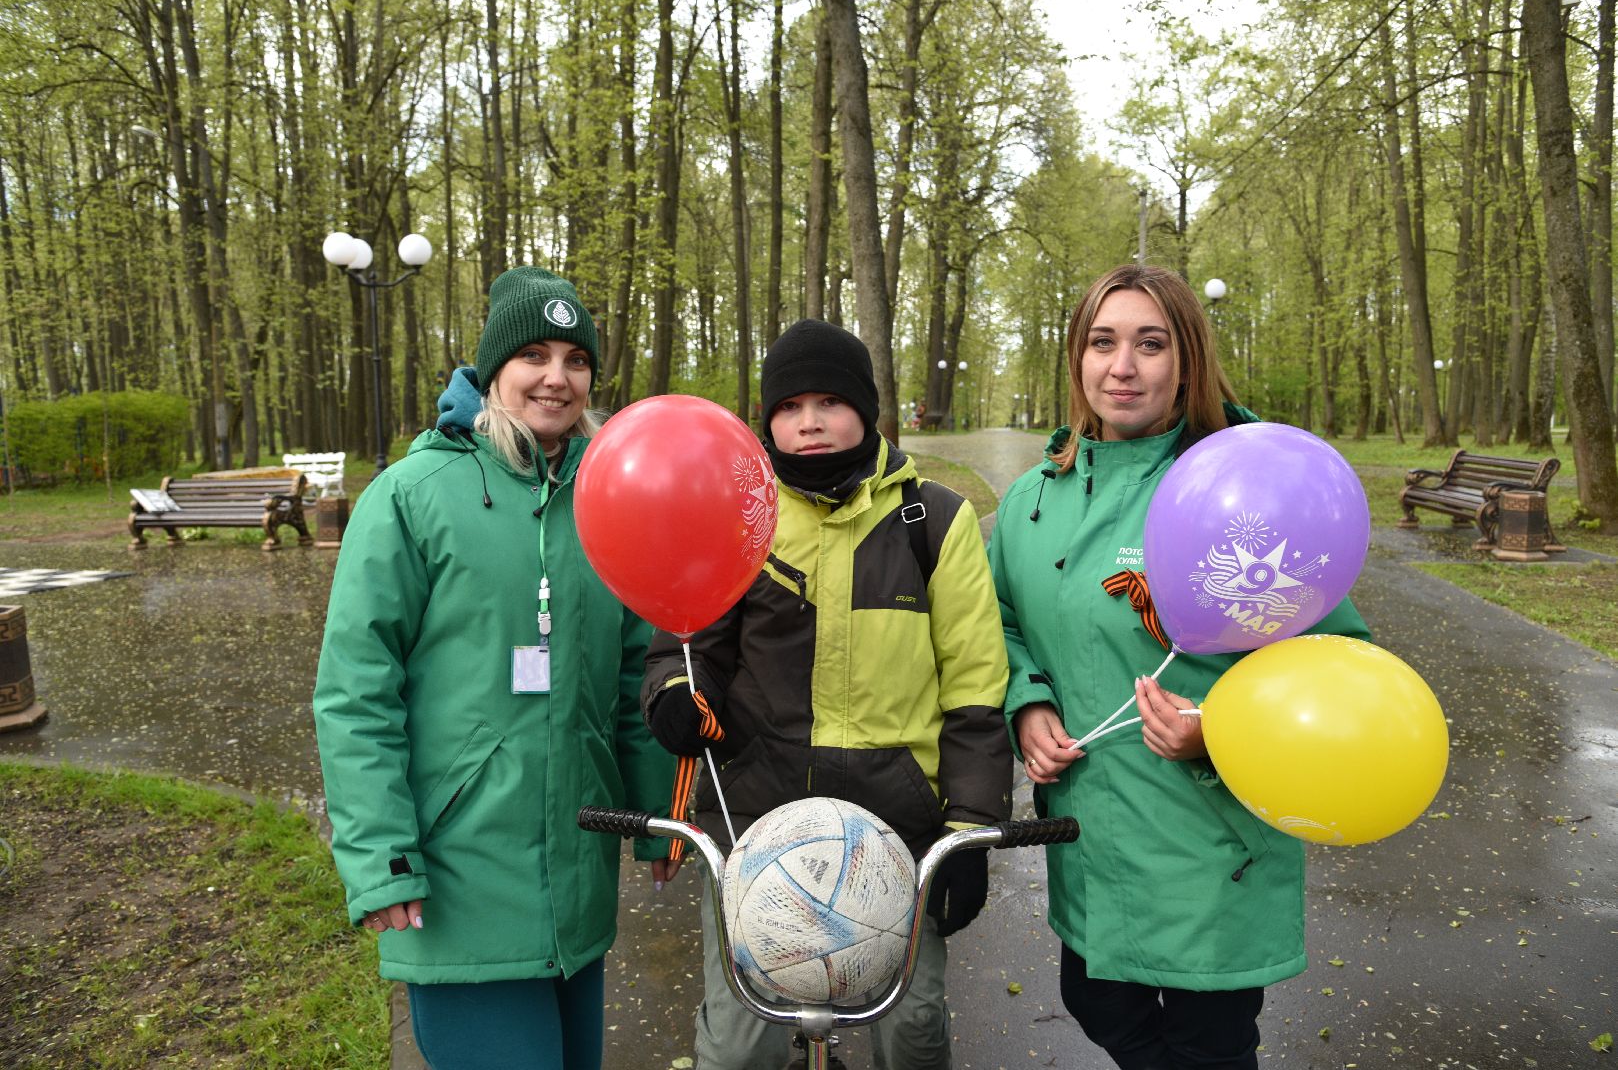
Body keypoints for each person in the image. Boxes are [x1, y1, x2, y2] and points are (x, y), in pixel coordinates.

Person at [987, 264, 1371, 1070]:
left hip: (1210, 841)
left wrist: (1224, 728)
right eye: (1102, 342)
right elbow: (1003, 621)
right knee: (1098, 1004)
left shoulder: (1247, 490)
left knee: (1209, 1045)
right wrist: (1028, 703)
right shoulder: (1032, 500)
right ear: (1077, 358)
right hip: (1092, 837)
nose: (1122, 367)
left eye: (1151, 344)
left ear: (1188, 360)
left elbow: (1338, 667)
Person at [312, 267, 677, 1070]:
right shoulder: (411, 495)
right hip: (458, 884)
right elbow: (355, 696)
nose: (557, 378)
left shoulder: (608, 501)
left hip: (577, 891)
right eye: (534, 356)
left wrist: (656, 819)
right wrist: (382, 861)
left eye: (576, 360)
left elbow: (632, 679)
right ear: (492, 369)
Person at [641, 318, 1011, 1070]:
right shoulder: (735, 519)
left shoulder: (935, 522)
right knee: (739, 1049)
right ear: (767, 420)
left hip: (898, 832)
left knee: (912, 1032)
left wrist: (971, 831)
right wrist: (677, 693)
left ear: (867, 410)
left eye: (830, 402)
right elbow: (685, 649)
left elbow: (974, 687)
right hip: (757, 828)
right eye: (788, 406)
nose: (808, 422)